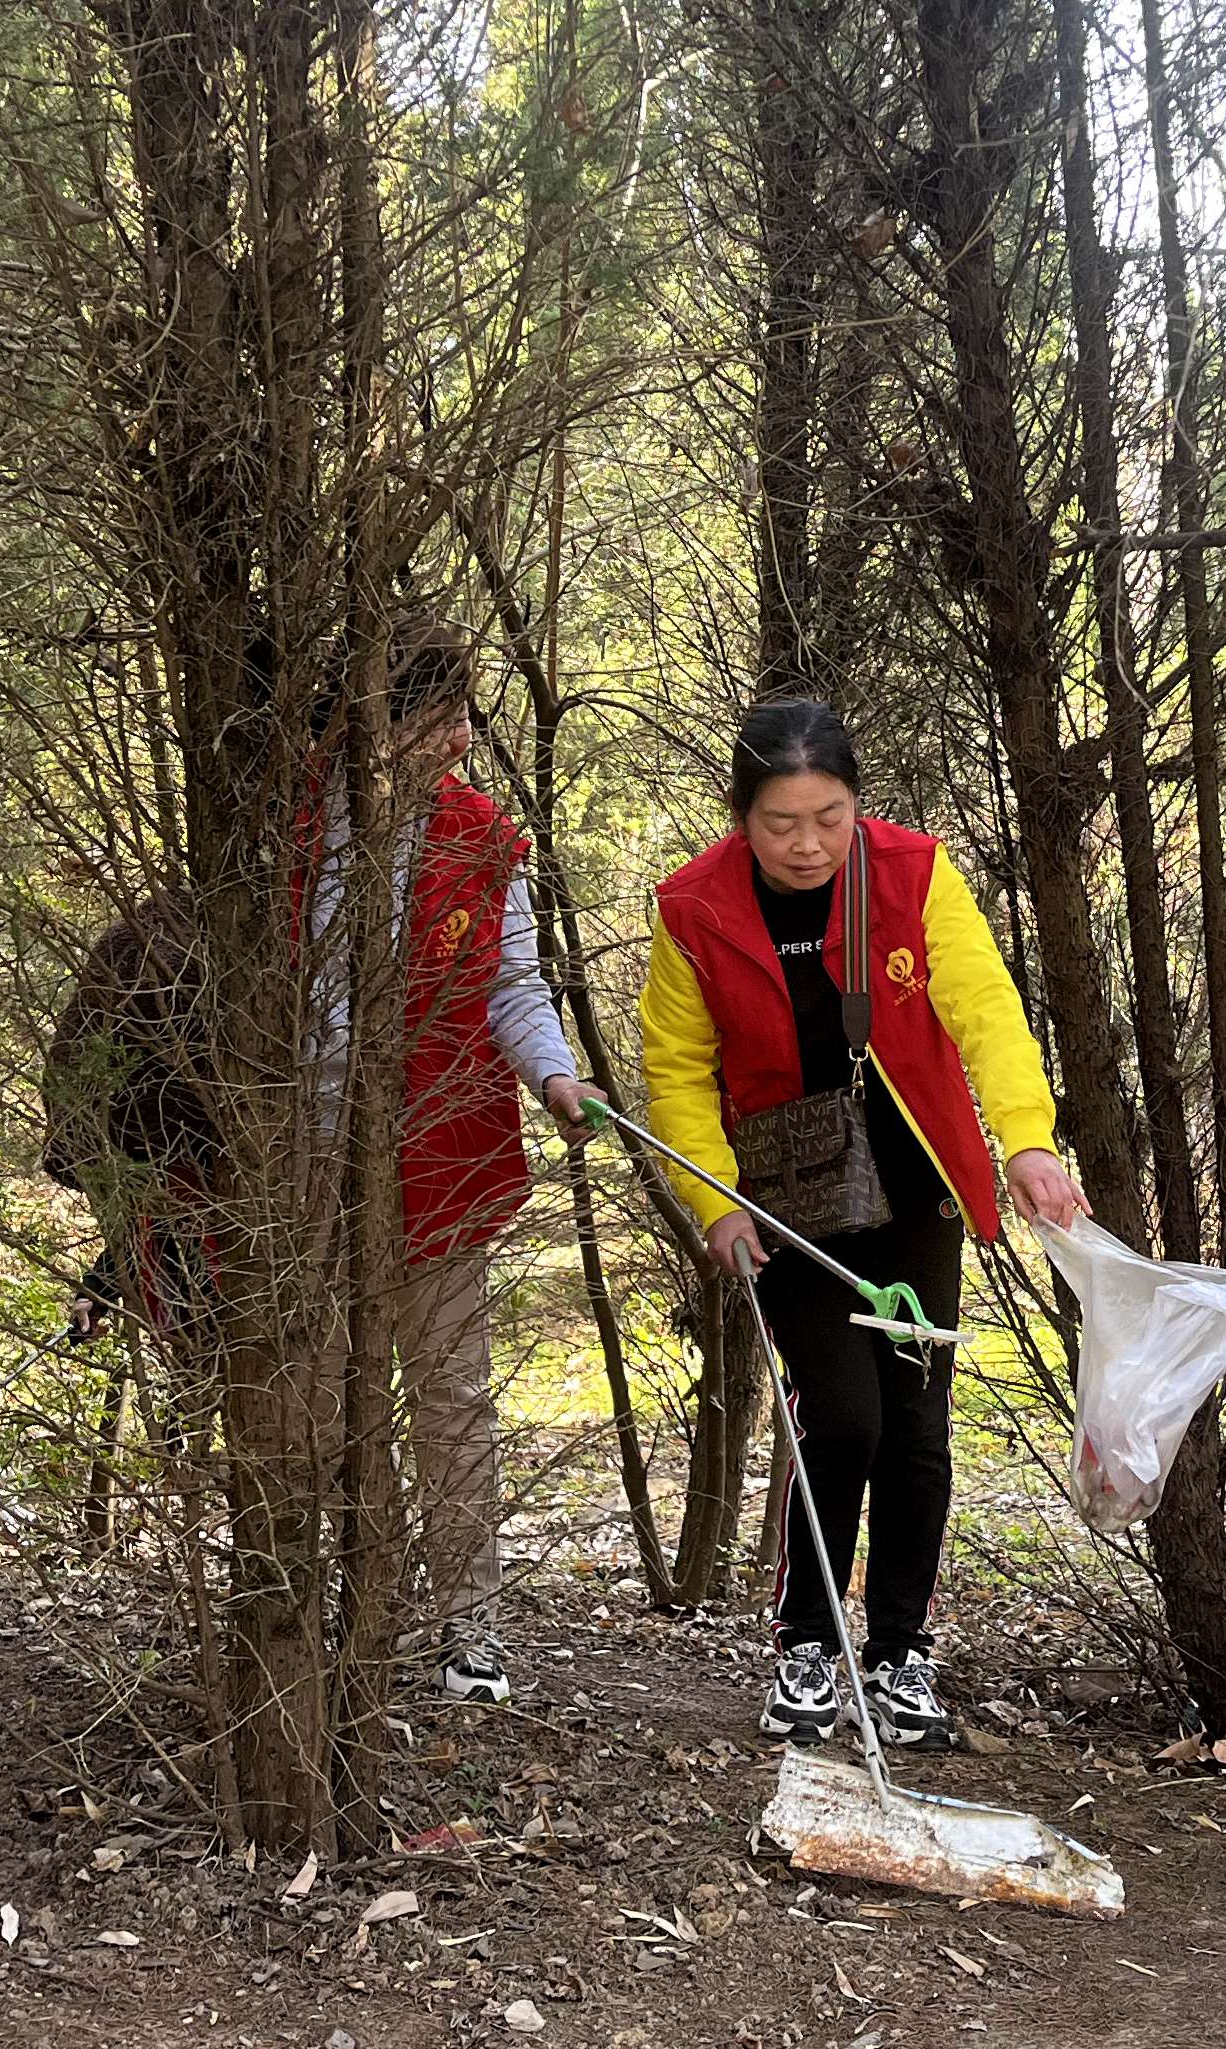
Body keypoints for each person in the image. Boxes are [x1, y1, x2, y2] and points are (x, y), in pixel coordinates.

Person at [638, 697, 1083, 1750]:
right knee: (839, 1419)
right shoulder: (692, 908)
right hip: (781, 1201)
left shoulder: (915, 874)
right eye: (780, 822)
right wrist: (711, 1201)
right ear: (739, 815)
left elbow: (987, 1012)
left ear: (855, 805)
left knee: (916, 1426)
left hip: (913, 1182)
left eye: (829, 817)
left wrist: (1024, 1138)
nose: (806, 844)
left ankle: (899, 1651)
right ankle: (806, 1640)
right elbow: (674, 1075)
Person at [292, 622, 599, 1707]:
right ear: (371, 720)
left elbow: (512, 986)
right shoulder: (285, 828)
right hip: (304, 1157)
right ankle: (330, 1601)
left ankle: (469, 1622)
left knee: (450, 1395)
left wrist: (556, 1079)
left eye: (467, 710)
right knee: (321, 1391)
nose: (463, 735)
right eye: (441, 713)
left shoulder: (480, 837)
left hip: (441, 1150)